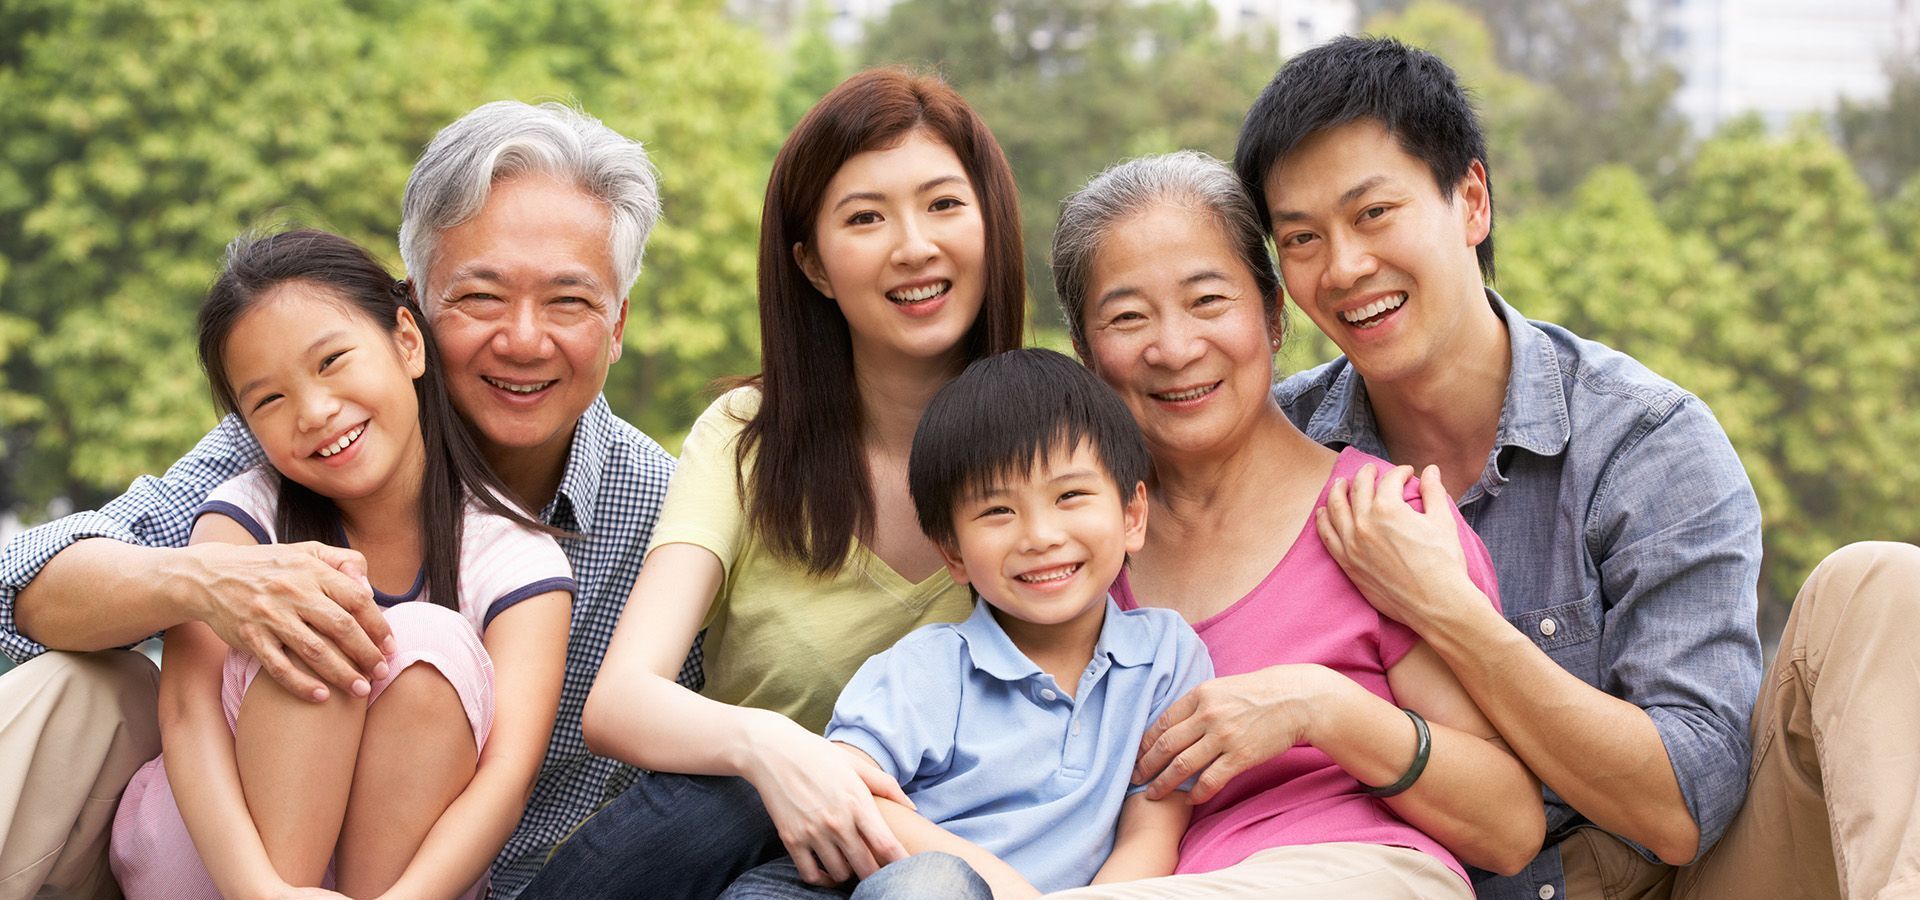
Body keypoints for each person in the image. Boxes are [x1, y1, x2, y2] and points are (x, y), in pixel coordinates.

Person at [1237, 35, 1920, 900]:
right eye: (1301, 238)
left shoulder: (1644, 440)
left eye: (1374, 214)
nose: (1344, 268)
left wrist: (1445, 610)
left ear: (1472, 201)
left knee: (1884, 584)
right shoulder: (1277, 448)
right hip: (1419, 885)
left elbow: (1684, 807)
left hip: (1688, 878)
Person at [0, 101, 689, 899]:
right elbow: (23, 583)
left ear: (617, 324)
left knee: (423, 644)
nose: (524, 340)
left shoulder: (665, 517)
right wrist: (207, 582)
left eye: (569, 301)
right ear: (416, 311)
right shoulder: (293, 441)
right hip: (209, 856)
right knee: (80, 685)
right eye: (481, 298)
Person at [519, 68, 1027, 900]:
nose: (914, 246)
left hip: (930, 875)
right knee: (734, 790)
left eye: (943, 204)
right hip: (720, 847)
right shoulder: (747, 440)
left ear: (991, 225)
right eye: (865, 217)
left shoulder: (1059, 450)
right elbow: (620, 702)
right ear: (815, 266)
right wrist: (775, 749)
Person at [1044, 150, 1543, 899]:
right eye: (1127, 317)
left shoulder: (1379, 525)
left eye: (1208, 301)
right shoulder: (1073, 562)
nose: (1175, 349)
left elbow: (1508, 828)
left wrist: (1322, 710)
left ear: (1274, 315)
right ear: (1086, 354)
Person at [109, 229, 574, 898]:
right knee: (313, 609)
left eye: (331, 362)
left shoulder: (512, 556)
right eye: (269, 400)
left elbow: (508, 777)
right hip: (216, 859)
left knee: (427, 641)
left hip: (406, 880)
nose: (315, 412)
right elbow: (187, 712)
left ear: (408, 343)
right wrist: (260, 892)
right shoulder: (242, 517)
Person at [727, 348, 1213, 900]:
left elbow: (1153, 825)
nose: (1040, 536)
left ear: (1132, 515)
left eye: (1070, 495)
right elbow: (850, 788)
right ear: (952, 552)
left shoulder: (1165, 658)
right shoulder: (929, 668)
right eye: (997, 511)